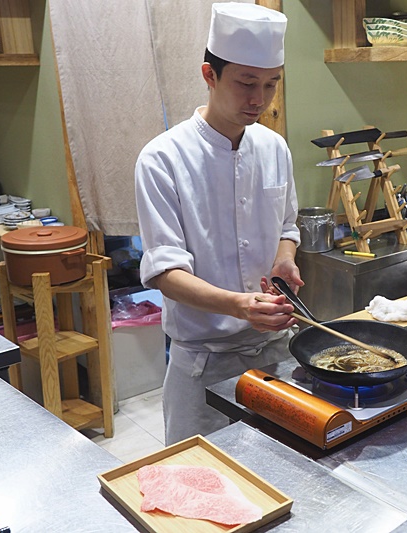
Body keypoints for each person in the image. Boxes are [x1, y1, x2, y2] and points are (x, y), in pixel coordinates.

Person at [134, 2, 303, 445]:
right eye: (246, 83)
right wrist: (238, 305)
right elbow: (166, 274)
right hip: (204, 365)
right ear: (210, 75)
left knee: (284, 476)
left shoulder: (274, 148)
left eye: (270, 84)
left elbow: (287, 225)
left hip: (276, 356)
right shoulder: (162, 159)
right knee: (199, 487)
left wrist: (284, 260)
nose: (259, 100)